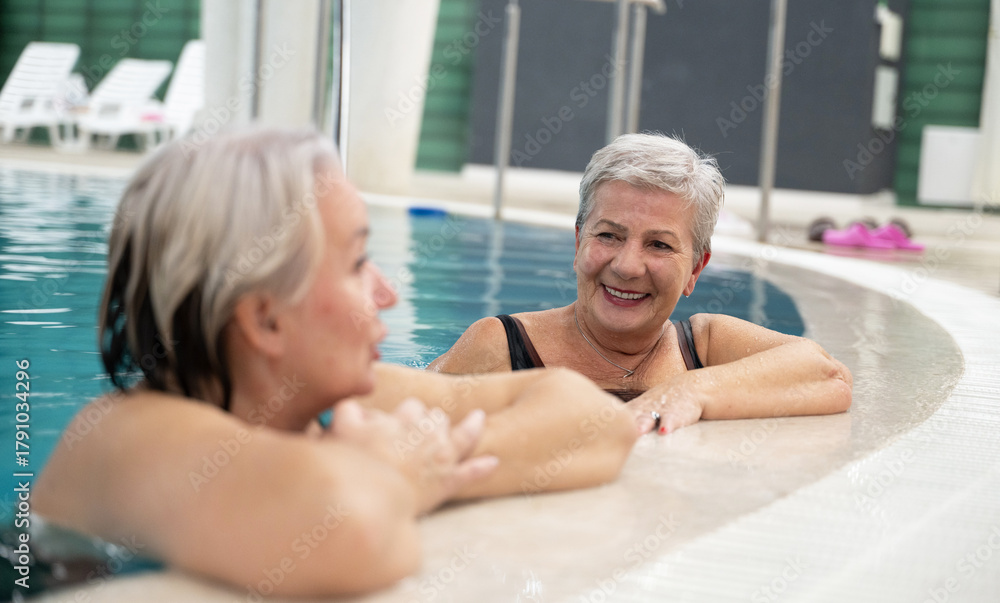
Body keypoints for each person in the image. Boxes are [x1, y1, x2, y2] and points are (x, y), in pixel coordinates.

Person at [34, 128, 639, 598]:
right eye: (356, 264)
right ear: (266, 320)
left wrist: (423, 461)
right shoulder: (125, 438)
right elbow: (356, 535)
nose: (387, 293)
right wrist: (399, 467)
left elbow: (596, 422)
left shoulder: (313, 397)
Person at [429, 133, 853, 433]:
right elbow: (399, 418)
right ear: (579, 243)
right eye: (608, 236)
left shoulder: (704, 349)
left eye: (659, 245)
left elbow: (828, 376)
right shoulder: (503, 347)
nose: (628, 266)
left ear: (695, 270)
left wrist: (693, 389)